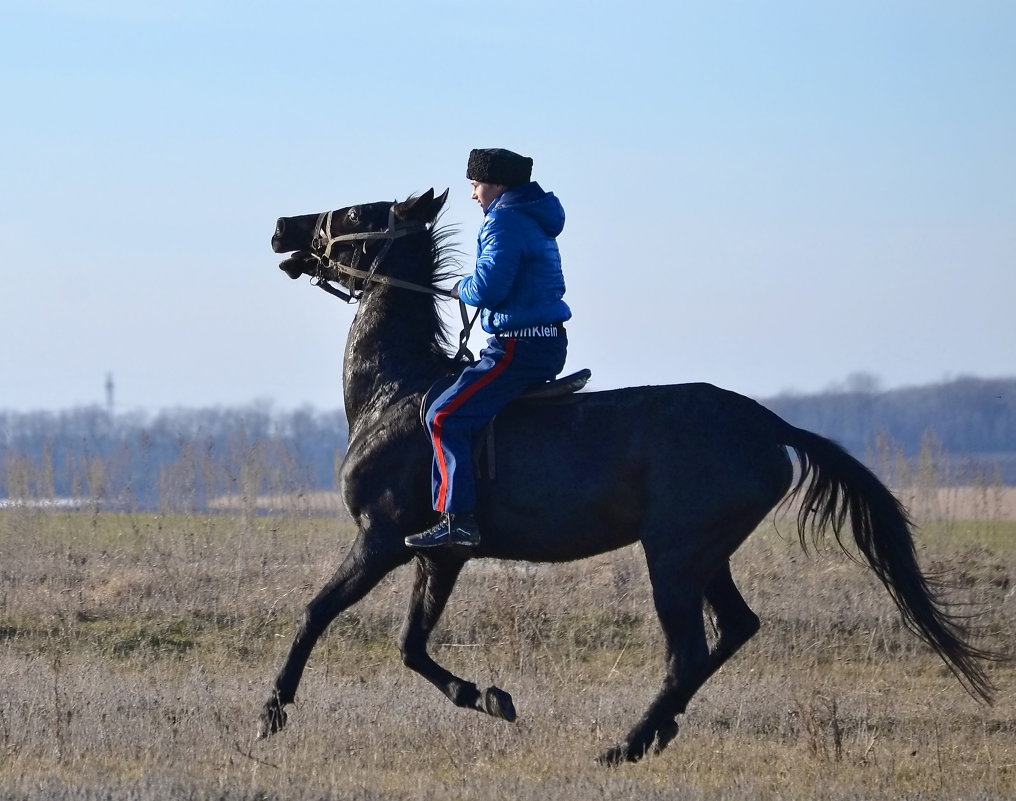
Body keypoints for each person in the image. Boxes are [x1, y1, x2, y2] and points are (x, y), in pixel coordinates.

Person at [404, 148, 572, 548]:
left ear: (497, 184)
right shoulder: (533, 217)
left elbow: (488, 288)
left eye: (475, 185)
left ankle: (458, 520)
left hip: (519, 348)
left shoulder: (504, 222)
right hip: (543, 342)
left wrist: (459, 286)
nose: (473, 194)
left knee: (444, 416)